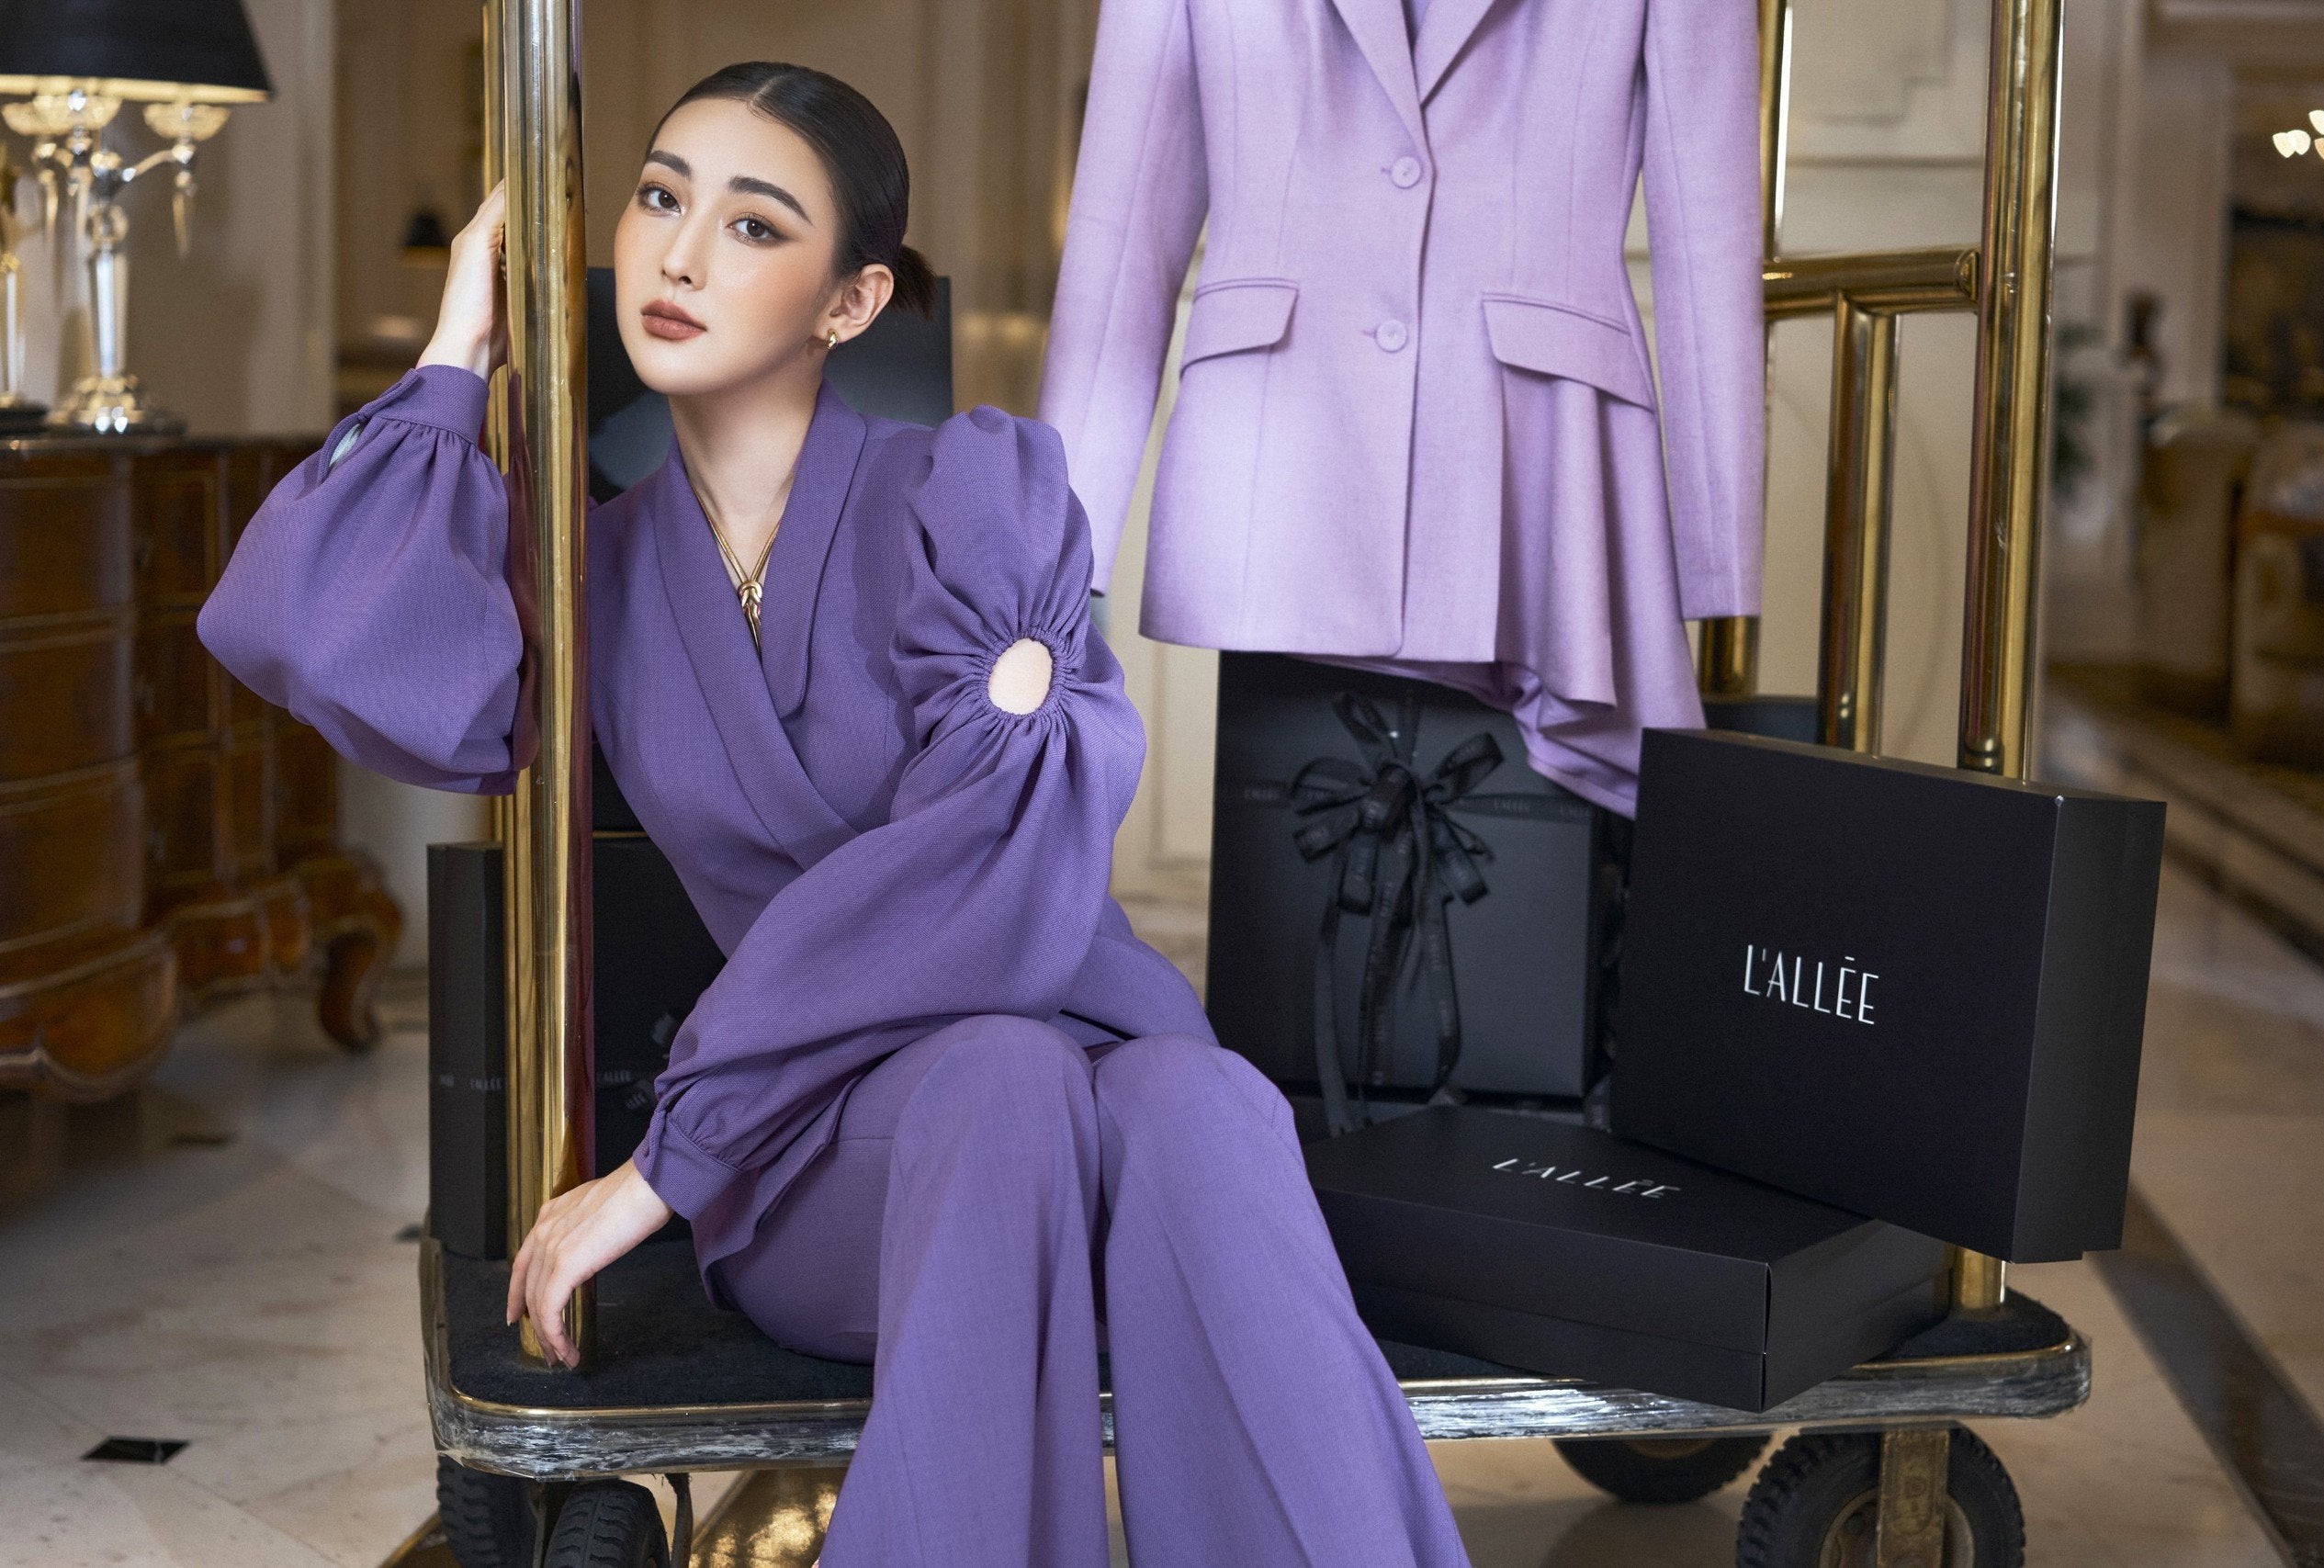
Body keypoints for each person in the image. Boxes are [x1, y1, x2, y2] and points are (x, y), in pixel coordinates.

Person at [199, 61, 1472, 1568]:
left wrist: (659, 1164)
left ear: (852, 302)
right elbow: (311, 631)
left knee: (1203, 1103)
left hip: (1065, 1069)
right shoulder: (589, 574)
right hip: (819, 1153)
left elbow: (991, 862)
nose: (679, 255)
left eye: (753, 225)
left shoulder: (975, 496)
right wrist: (458, 345)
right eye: (660, 199)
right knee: (998, 1081)